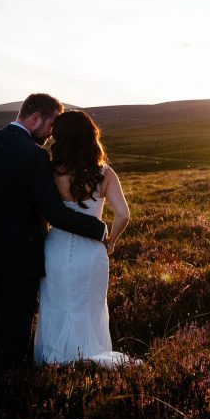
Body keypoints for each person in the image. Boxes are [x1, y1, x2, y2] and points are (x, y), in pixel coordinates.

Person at [0, 93, 107, 374]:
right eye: (50, 126)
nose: (51, 134)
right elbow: (53, 212)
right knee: (14, 332)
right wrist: (98, 228)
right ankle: (8, 389)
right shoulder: (33, 155)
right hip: (19, 260)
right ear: (36, 118)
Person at [33, 110, 138, 368]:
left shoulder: (50, 171)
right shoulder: (105, 173)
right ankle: (88, 356)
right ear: (91, 136)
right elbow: (123, 215)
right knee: (89, 307)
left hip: (54, 250)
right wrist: (111, 240)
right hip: (91, 252)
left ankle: (54, 360)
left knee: (55, 304)